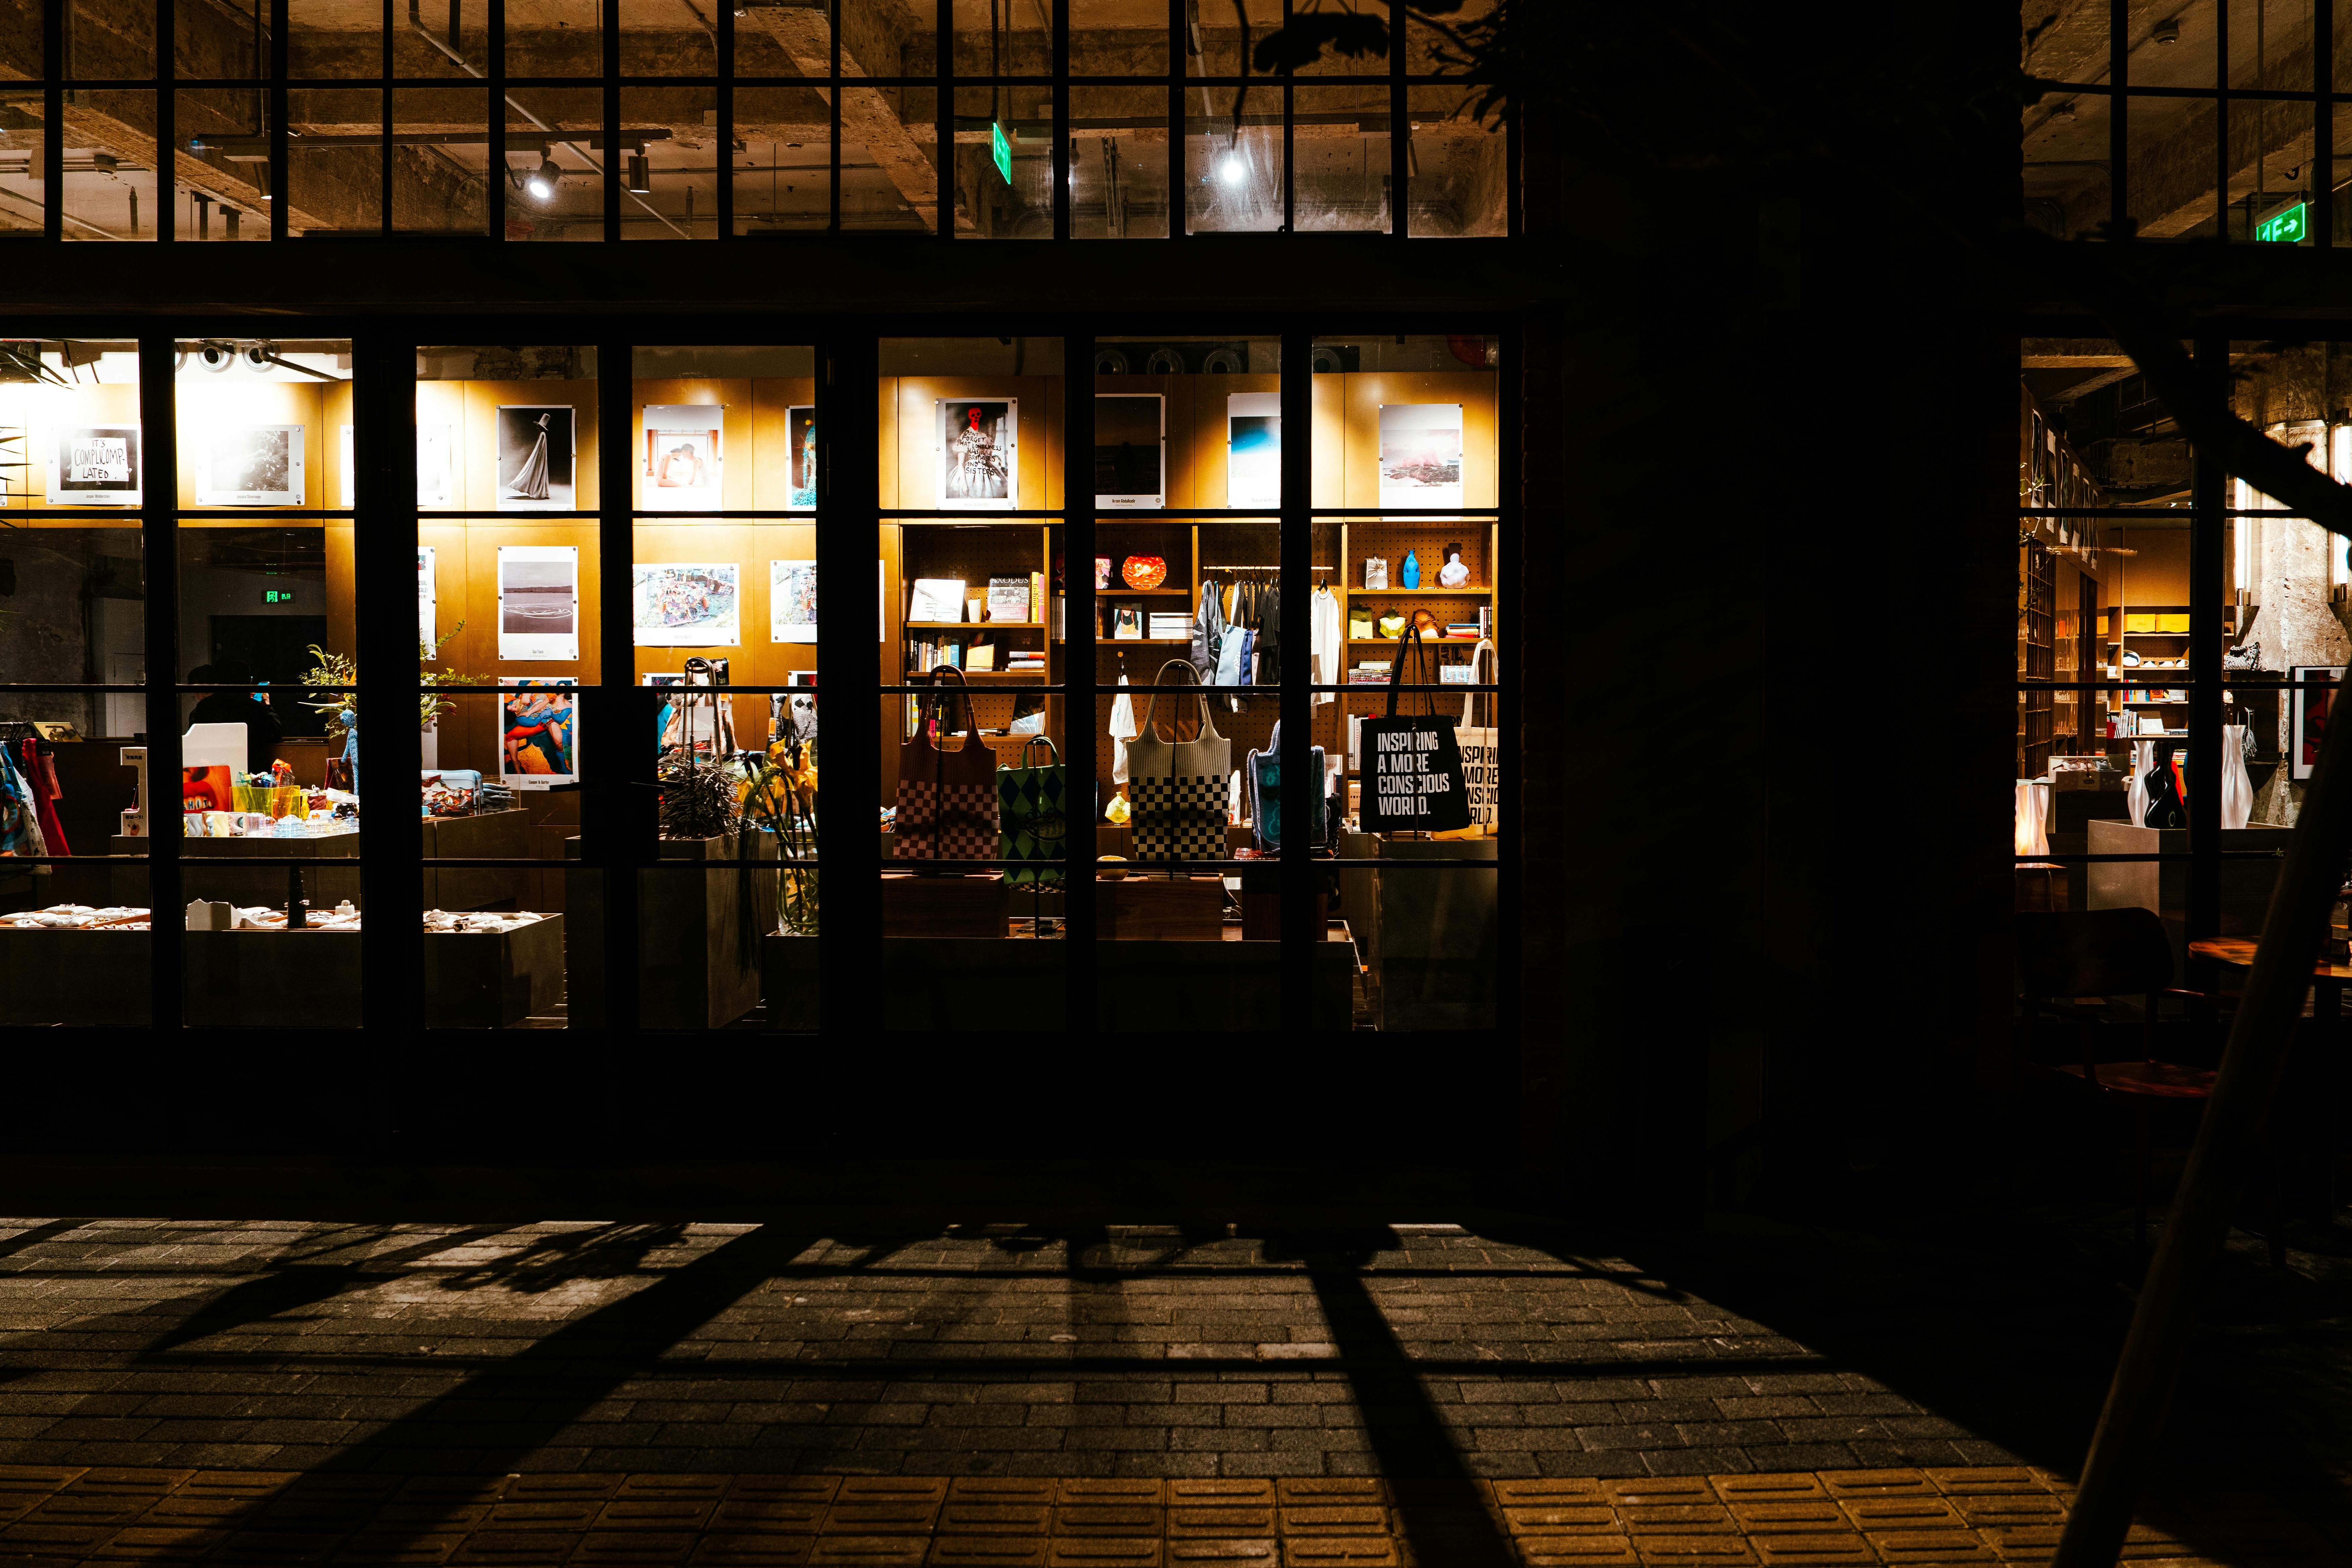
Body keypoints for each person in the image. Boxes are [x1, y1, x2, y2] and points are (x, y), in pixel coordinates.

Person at [184, 660, 283, 775]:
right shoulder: (251, 707)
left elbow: (196, 743)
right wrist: (268, 706)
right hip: (251, 771)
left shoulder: (205, 706)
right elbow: (275, 735)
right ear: (245, 681)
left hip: (216, 770)